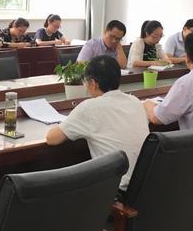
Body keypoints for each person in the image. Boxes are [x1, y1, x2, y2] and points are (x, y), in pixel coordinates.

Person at [46, 55, 148, 190]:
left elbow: (52, 139)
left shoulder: (89, 107)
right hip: (145, 187)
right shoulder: (135, 101)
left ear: (93, 83)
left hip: (117, 191)